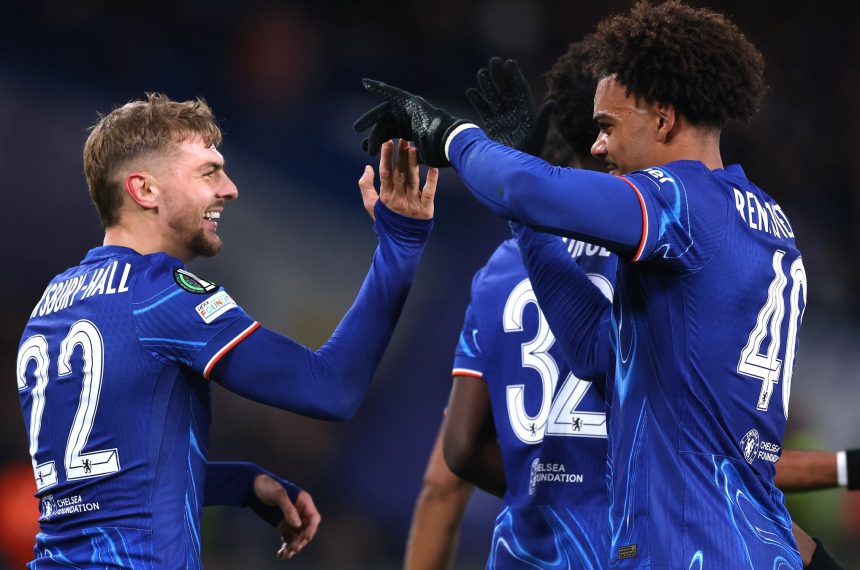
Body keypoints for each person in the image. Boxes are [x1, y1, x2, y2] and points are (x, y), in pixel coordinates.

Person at [354, 1, 825, 567]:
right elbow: (597, 352)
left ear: (663, 119)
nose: (598, 146)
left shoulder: (682, 203)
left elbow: (527, 189)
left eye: (607, 127)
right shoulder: (764, 221)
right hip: (754, 543)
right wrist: (528, 219)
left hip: (685, 548)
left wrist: (453, 135)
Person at [15, 93, 437, 568]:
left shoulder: (54, 303)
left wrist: (239, 482)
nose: (230, 189)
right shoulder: (159, 293)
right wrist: (400, 248)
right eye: (208, 172)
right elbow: (330, 389)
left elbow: (98, 488)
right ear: (145, 190)